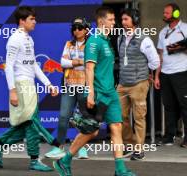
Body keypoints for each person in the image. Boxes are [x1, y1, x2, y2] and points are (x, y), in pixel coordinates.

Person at [53, 7, 136, 176]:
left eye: (114, 20)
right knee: (91, 131)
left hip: (110, 94)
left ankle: (120, 170)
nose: (114, 23)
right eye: (111, 20)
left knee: (116, 128)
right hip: (97, 93)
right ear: (101, 22)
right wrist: (90, 93)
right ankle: (64, 160)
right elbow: (89, 69)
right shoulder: (94, 41)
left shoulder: (106, 41)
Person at [0, 6, 60, 172]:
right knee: (32, 123)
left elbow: (34, 66)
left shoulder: (29, 39)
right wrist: (12, 90)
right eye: (32, 19)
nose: (35, 21)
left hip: (29, 85)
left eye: (34, 19)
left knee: (27, 124)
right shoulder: (14, 39)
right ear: (22, 21)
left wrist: (48, 84)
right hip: (21, 86)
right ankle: (48, 149)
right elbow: (8, 66)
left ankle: (1, 143)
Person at [116, 9, 160, 160]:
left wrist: (144, 74)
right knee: (120, 116)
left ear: (134, 20)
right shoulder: (120, 38)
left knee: (139, 117)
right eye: (122, 20)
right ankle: (128, 144)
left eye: (126, 19)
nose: (123, 22)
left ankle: (139, 150)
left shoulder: (144, 39)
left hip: (138, 84)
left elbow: (155, 62)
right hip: (122, 84)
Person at [45, 17, 90, 159]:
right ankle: (59, 147)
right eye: (74, 28)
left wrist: (73, 62)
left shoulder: (91, 44)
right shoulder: (68, 44)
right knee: (64, 116)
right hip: (69, 85)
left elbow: (90, 64)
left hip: (85, 85)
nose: (76, 31)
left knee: (84, 118)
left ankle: (82, 148)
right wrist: (77, 62)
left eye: (80, 28)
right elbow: (63, 63)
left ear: (86, 29)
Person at [155, 3, 187, 148]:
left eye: (167, 13)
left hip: (182, 72)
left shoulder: (185, 28)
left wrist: (174, 47)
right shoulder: (162, 32)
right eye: (164, 12)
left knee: (185, 105)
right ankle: (169, 136)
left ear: (175, 14)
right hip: (165, 74)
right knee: (168, 106)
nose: (164, 15)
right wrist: (157, 75)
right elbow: (160, 55)